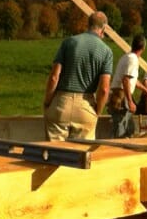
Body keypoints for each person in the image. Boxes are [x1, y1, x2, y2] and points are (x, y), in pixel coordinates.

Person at [43, 11, 113, 141]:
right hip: (86, 106)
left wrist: (48, 102)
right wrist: (96, 112)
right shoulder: (106, 51)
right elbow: (104, 89)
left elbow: (54, 77)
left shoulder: (69, 42)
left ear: (88, 24)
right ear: (103, 29)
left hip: (61, 104)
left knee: (53, 156)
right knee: (80, 157)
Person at [108, 34, 147, 139]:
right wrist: (130, 101)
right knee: (121, 131)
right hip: (121, 97)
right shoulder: (133, 59)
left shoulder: (127, 57)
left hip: (120, 95)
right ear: (143, 48)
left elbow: (133, 80)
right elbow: (126, 80)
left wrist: (145, 89)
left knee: (129, 129)